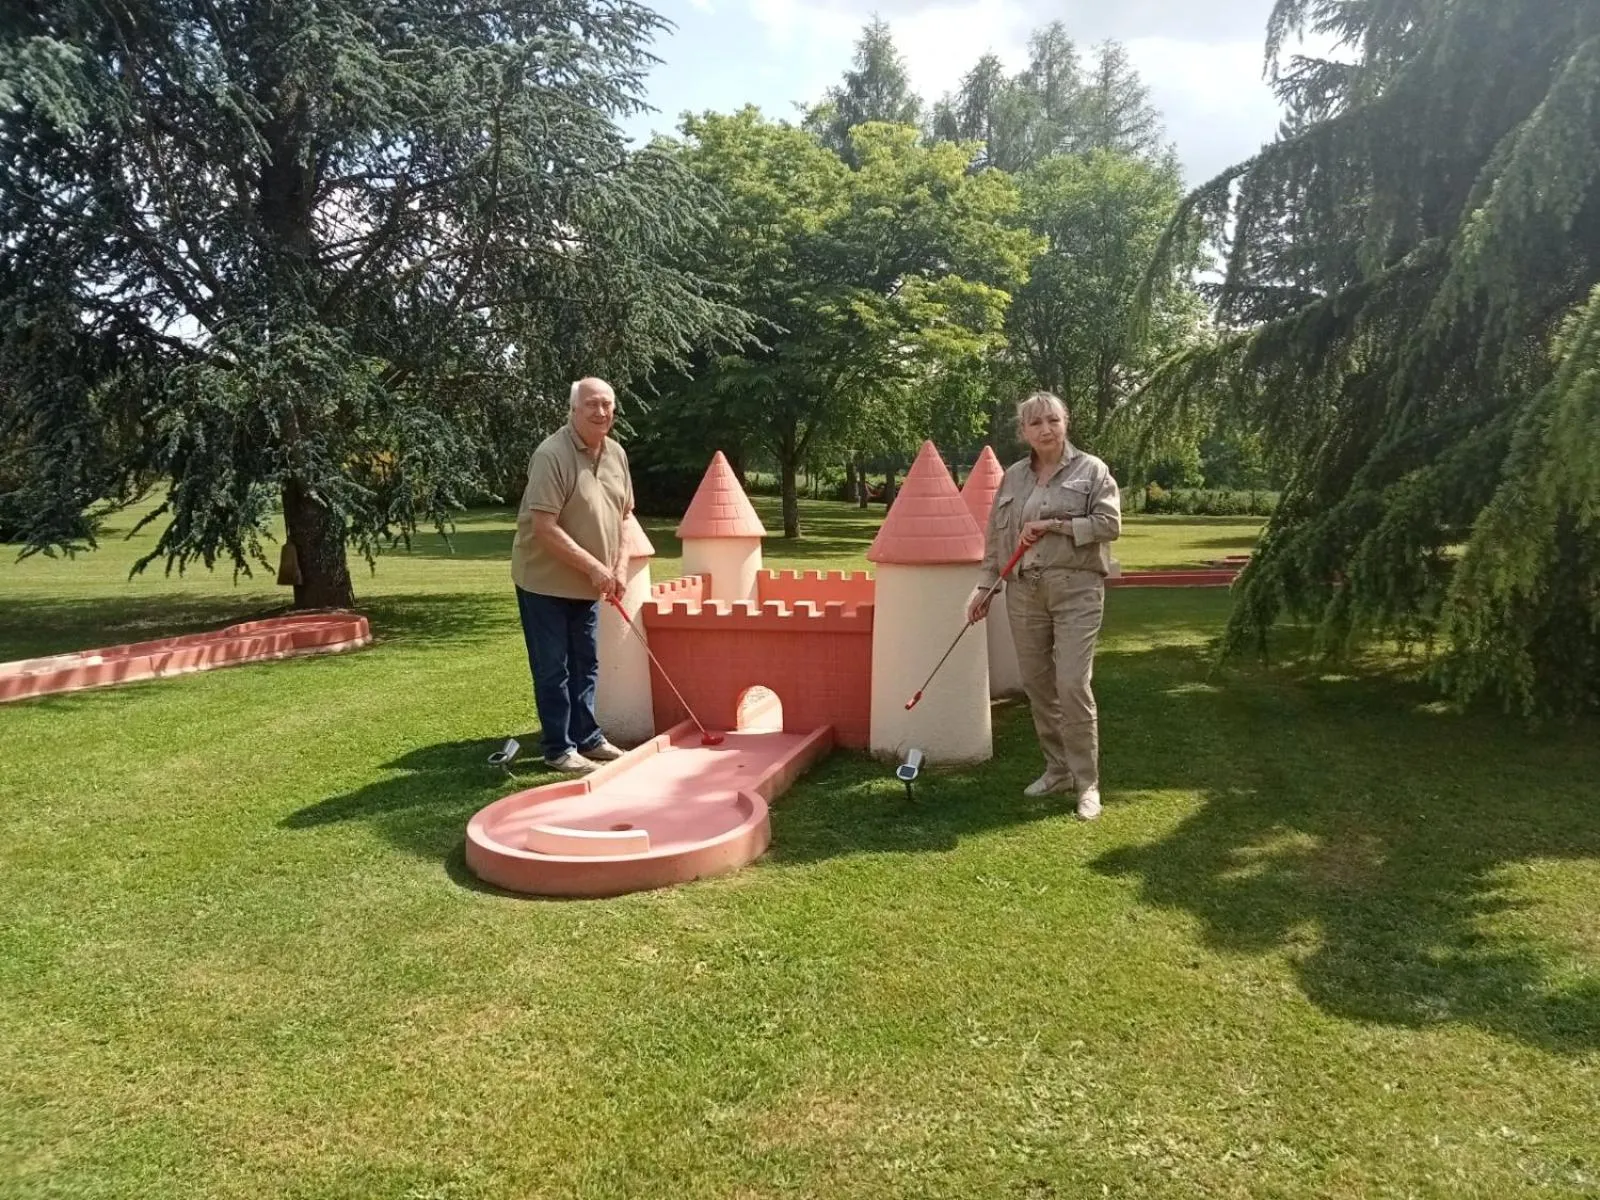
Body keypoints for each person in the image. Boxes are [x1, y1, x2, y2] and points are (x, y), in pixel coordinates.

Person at [969, 392, 1122, 820]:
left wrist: (1055, 525)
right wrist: (986, 587)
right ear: (1024, 432)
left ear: (1065, 422)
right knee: (1037, 685)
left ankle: (1087, 782)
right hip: (1024, 592)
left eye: (1052, 420)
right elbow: (997, 538)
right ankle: (1057, 769)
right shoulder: (1014, 477)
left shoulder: (1092, 470)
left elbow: (1109, 525)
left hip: (1077, 589)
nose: (1045, 429)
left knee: (1073, 684)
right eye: (1035, 423)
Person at [511, 377, 634, 773]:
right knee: (553, 666)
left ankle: (589, 738)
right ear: (573, 409)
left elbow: (625, 516)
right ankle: (558, 749)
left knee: (587, 661)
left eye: (607, 405)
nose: (600, 412)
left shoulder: (616, 453)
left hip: (588, 583)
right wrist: (597, 567)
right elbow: (544, 527)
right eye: (591, 405)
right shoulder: (551, 454)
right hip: (544, 581)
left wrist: (617, 566)